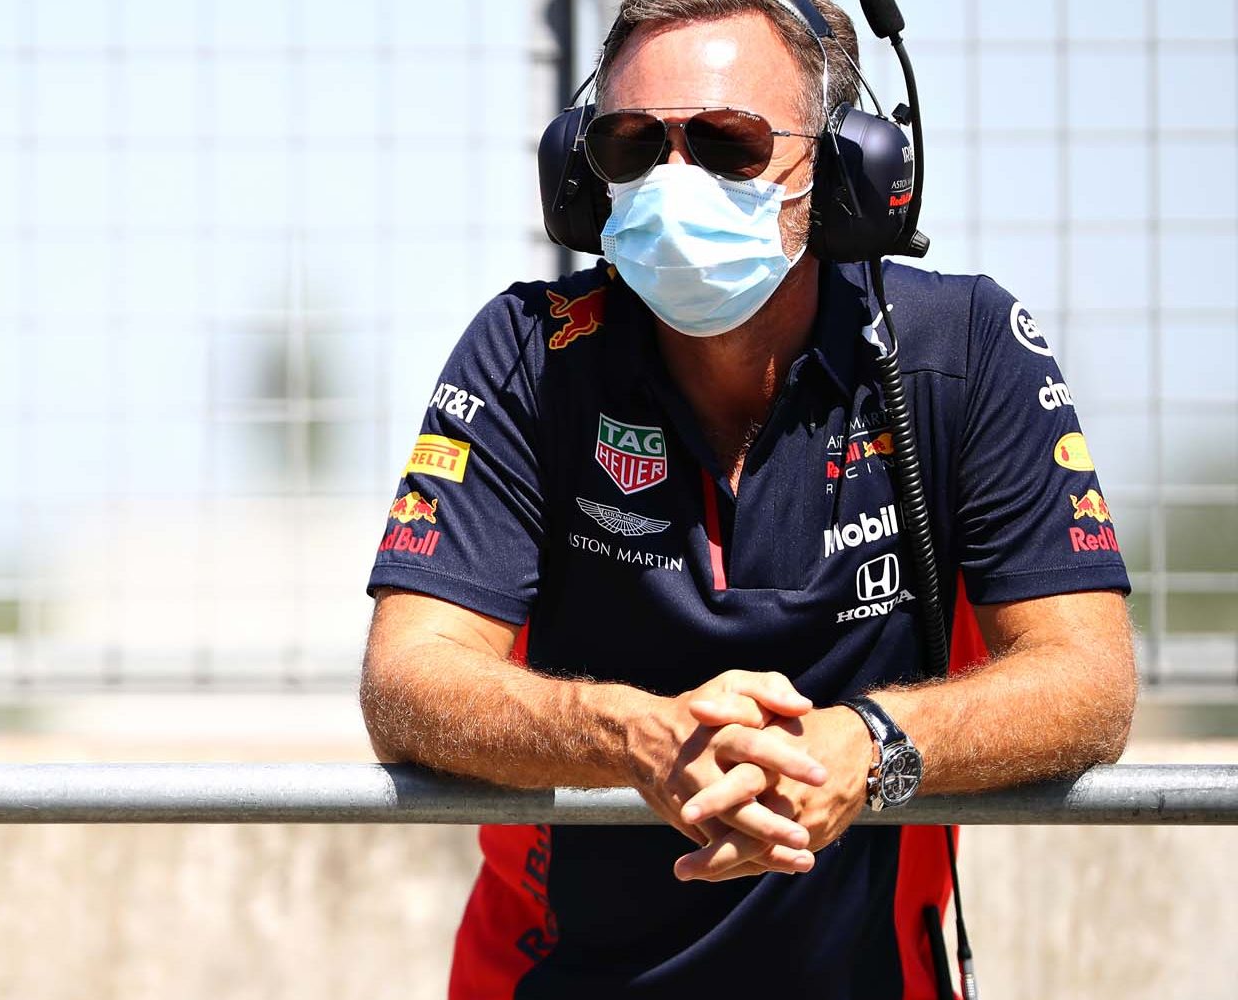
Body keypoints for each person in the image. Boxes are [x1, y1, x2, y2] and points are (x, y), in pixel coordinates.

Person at [361, 1, 1136, 996]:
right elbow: (407, 679)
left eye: (730, 143)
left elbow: (1090, 678)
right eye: (632, 145)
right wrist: (635, 738)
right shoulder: (527, 354)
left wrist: (867, 743)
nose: (672, 180)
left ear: (849, 173)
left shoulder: (965, 350)